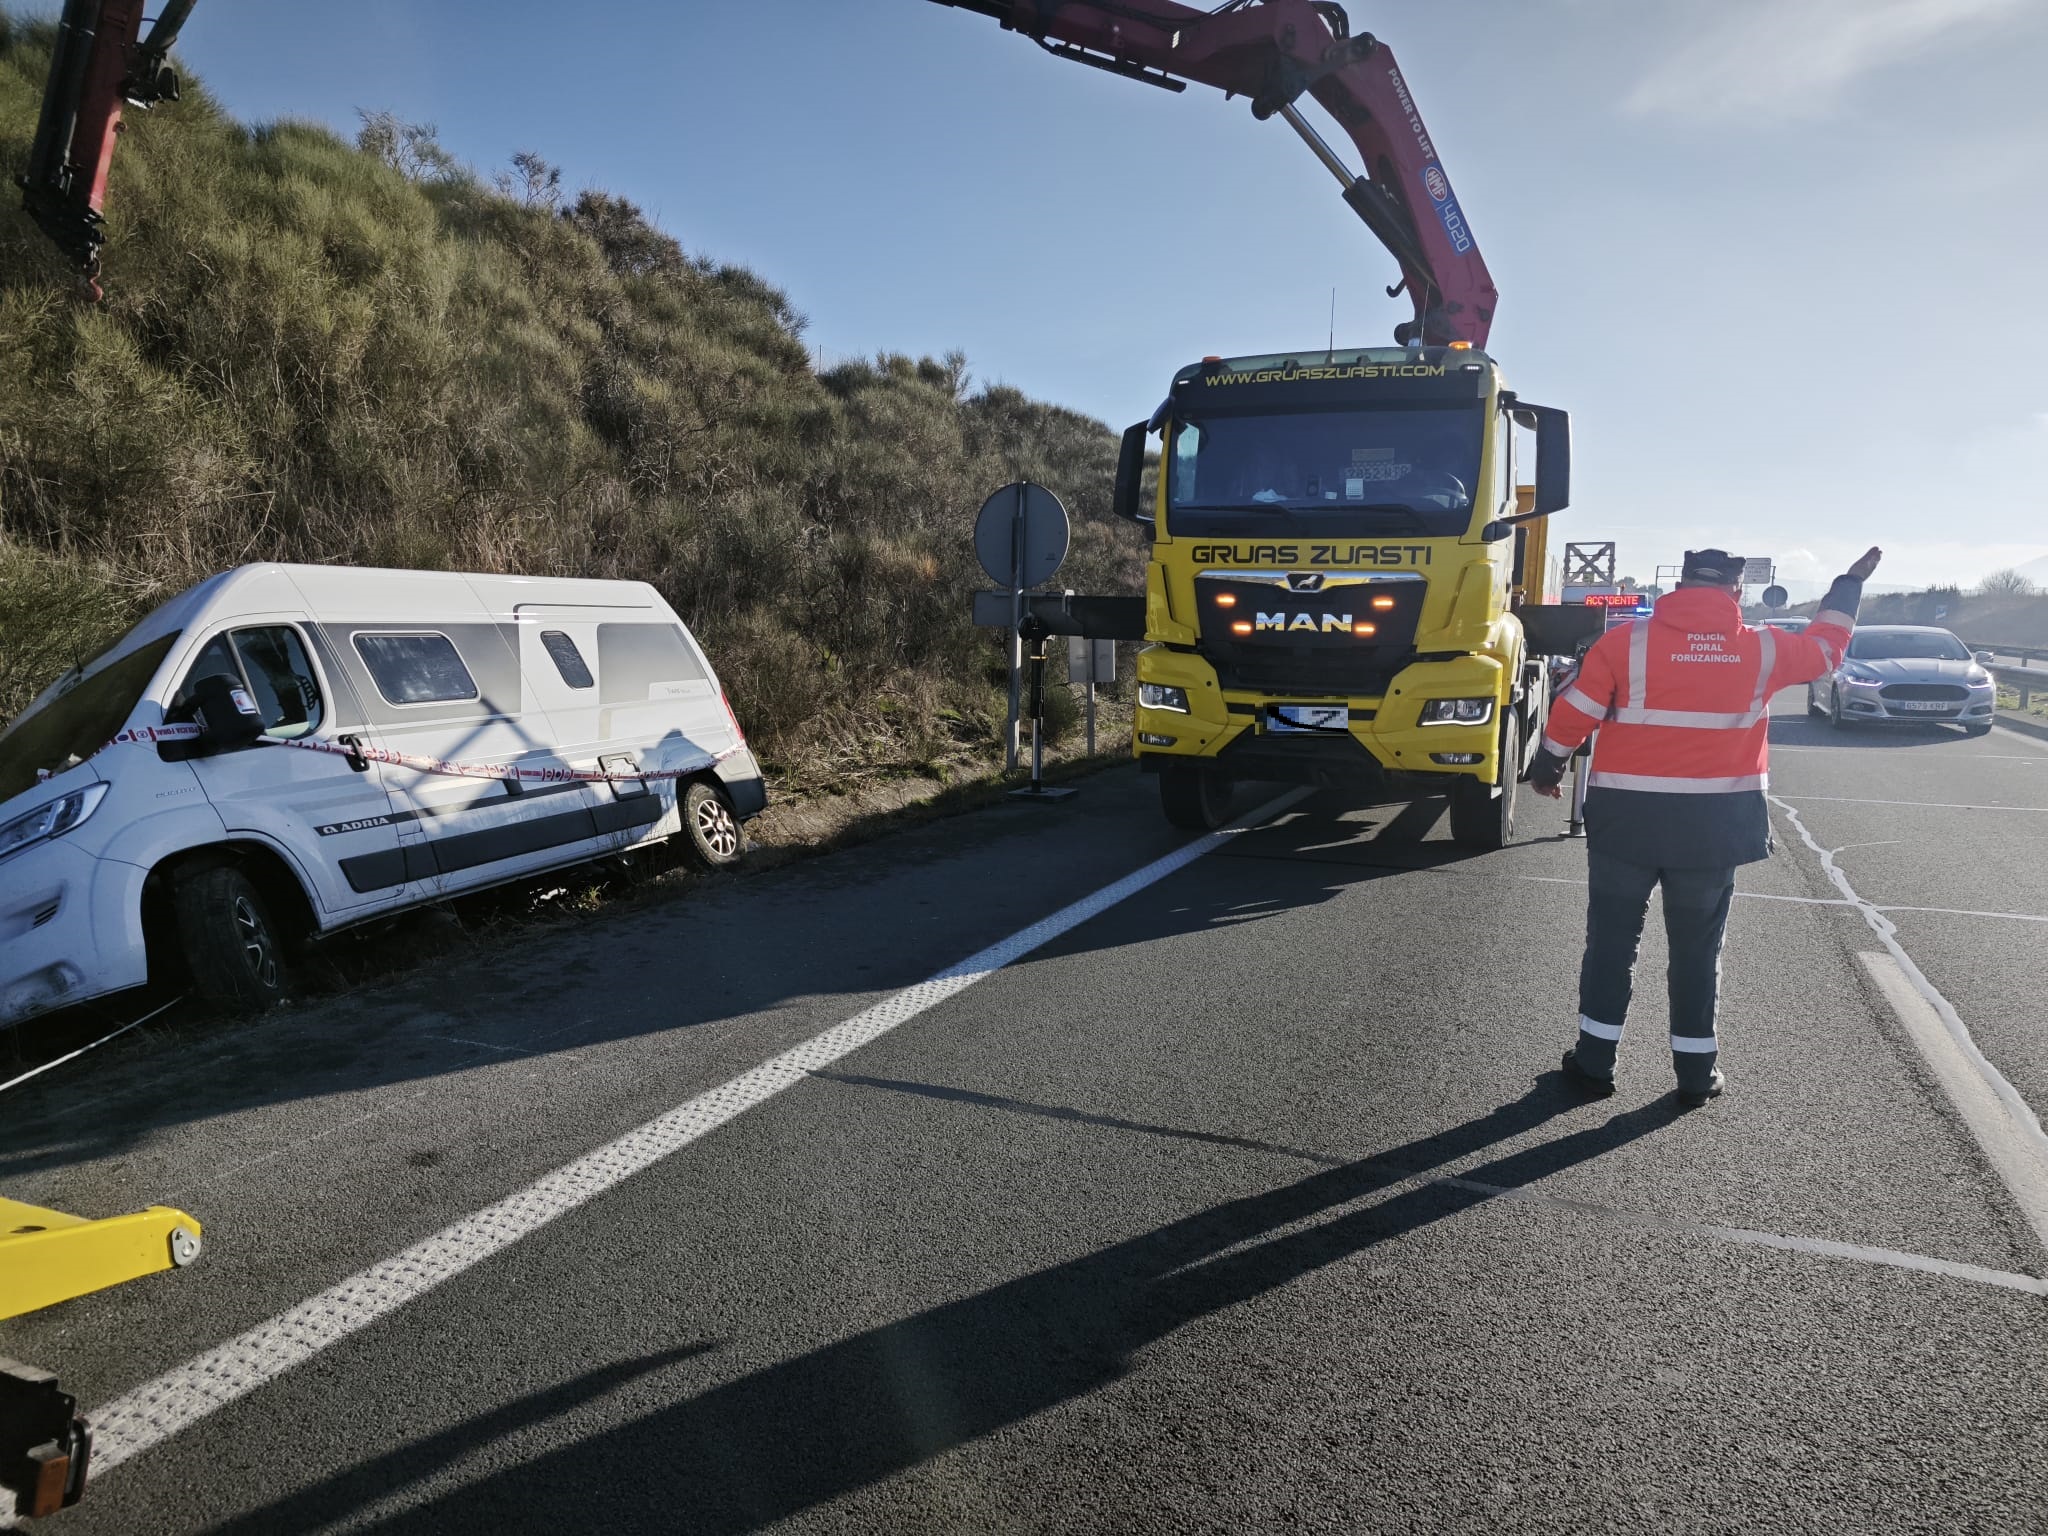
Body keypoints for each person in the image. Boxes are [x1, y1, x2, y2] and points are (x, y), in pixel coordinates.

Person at [1528, 546, 1883, 1107]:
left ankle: (1594, 1064)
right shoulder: (1765, 648)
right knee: (1698, 949)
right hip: (1715, 824)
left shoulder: (1627, 642)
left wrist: (1548, 765)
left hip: (1628, 820)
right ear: (1736, 593)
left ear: (1681, 585)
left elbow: (1576, 710)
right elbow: (1825, 652)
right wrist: (1846, 587)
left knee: (1612, 942)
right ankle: (1695, 1074)